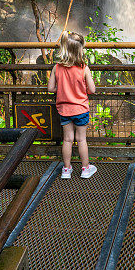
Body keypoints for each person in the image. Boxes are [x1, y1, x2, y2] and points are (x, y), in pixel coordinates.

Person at [47, 31, 97, 179]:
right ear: (80, 50)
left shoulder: (57, 67)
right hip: (80, 109)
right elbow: (92, 90)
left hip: (64, 109)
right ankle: (85, 169)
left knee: (67, 139)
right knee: (81, 139)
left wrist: (61, 89)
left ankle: (67, 170)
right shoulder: (84, 68)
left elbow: (50, 89)